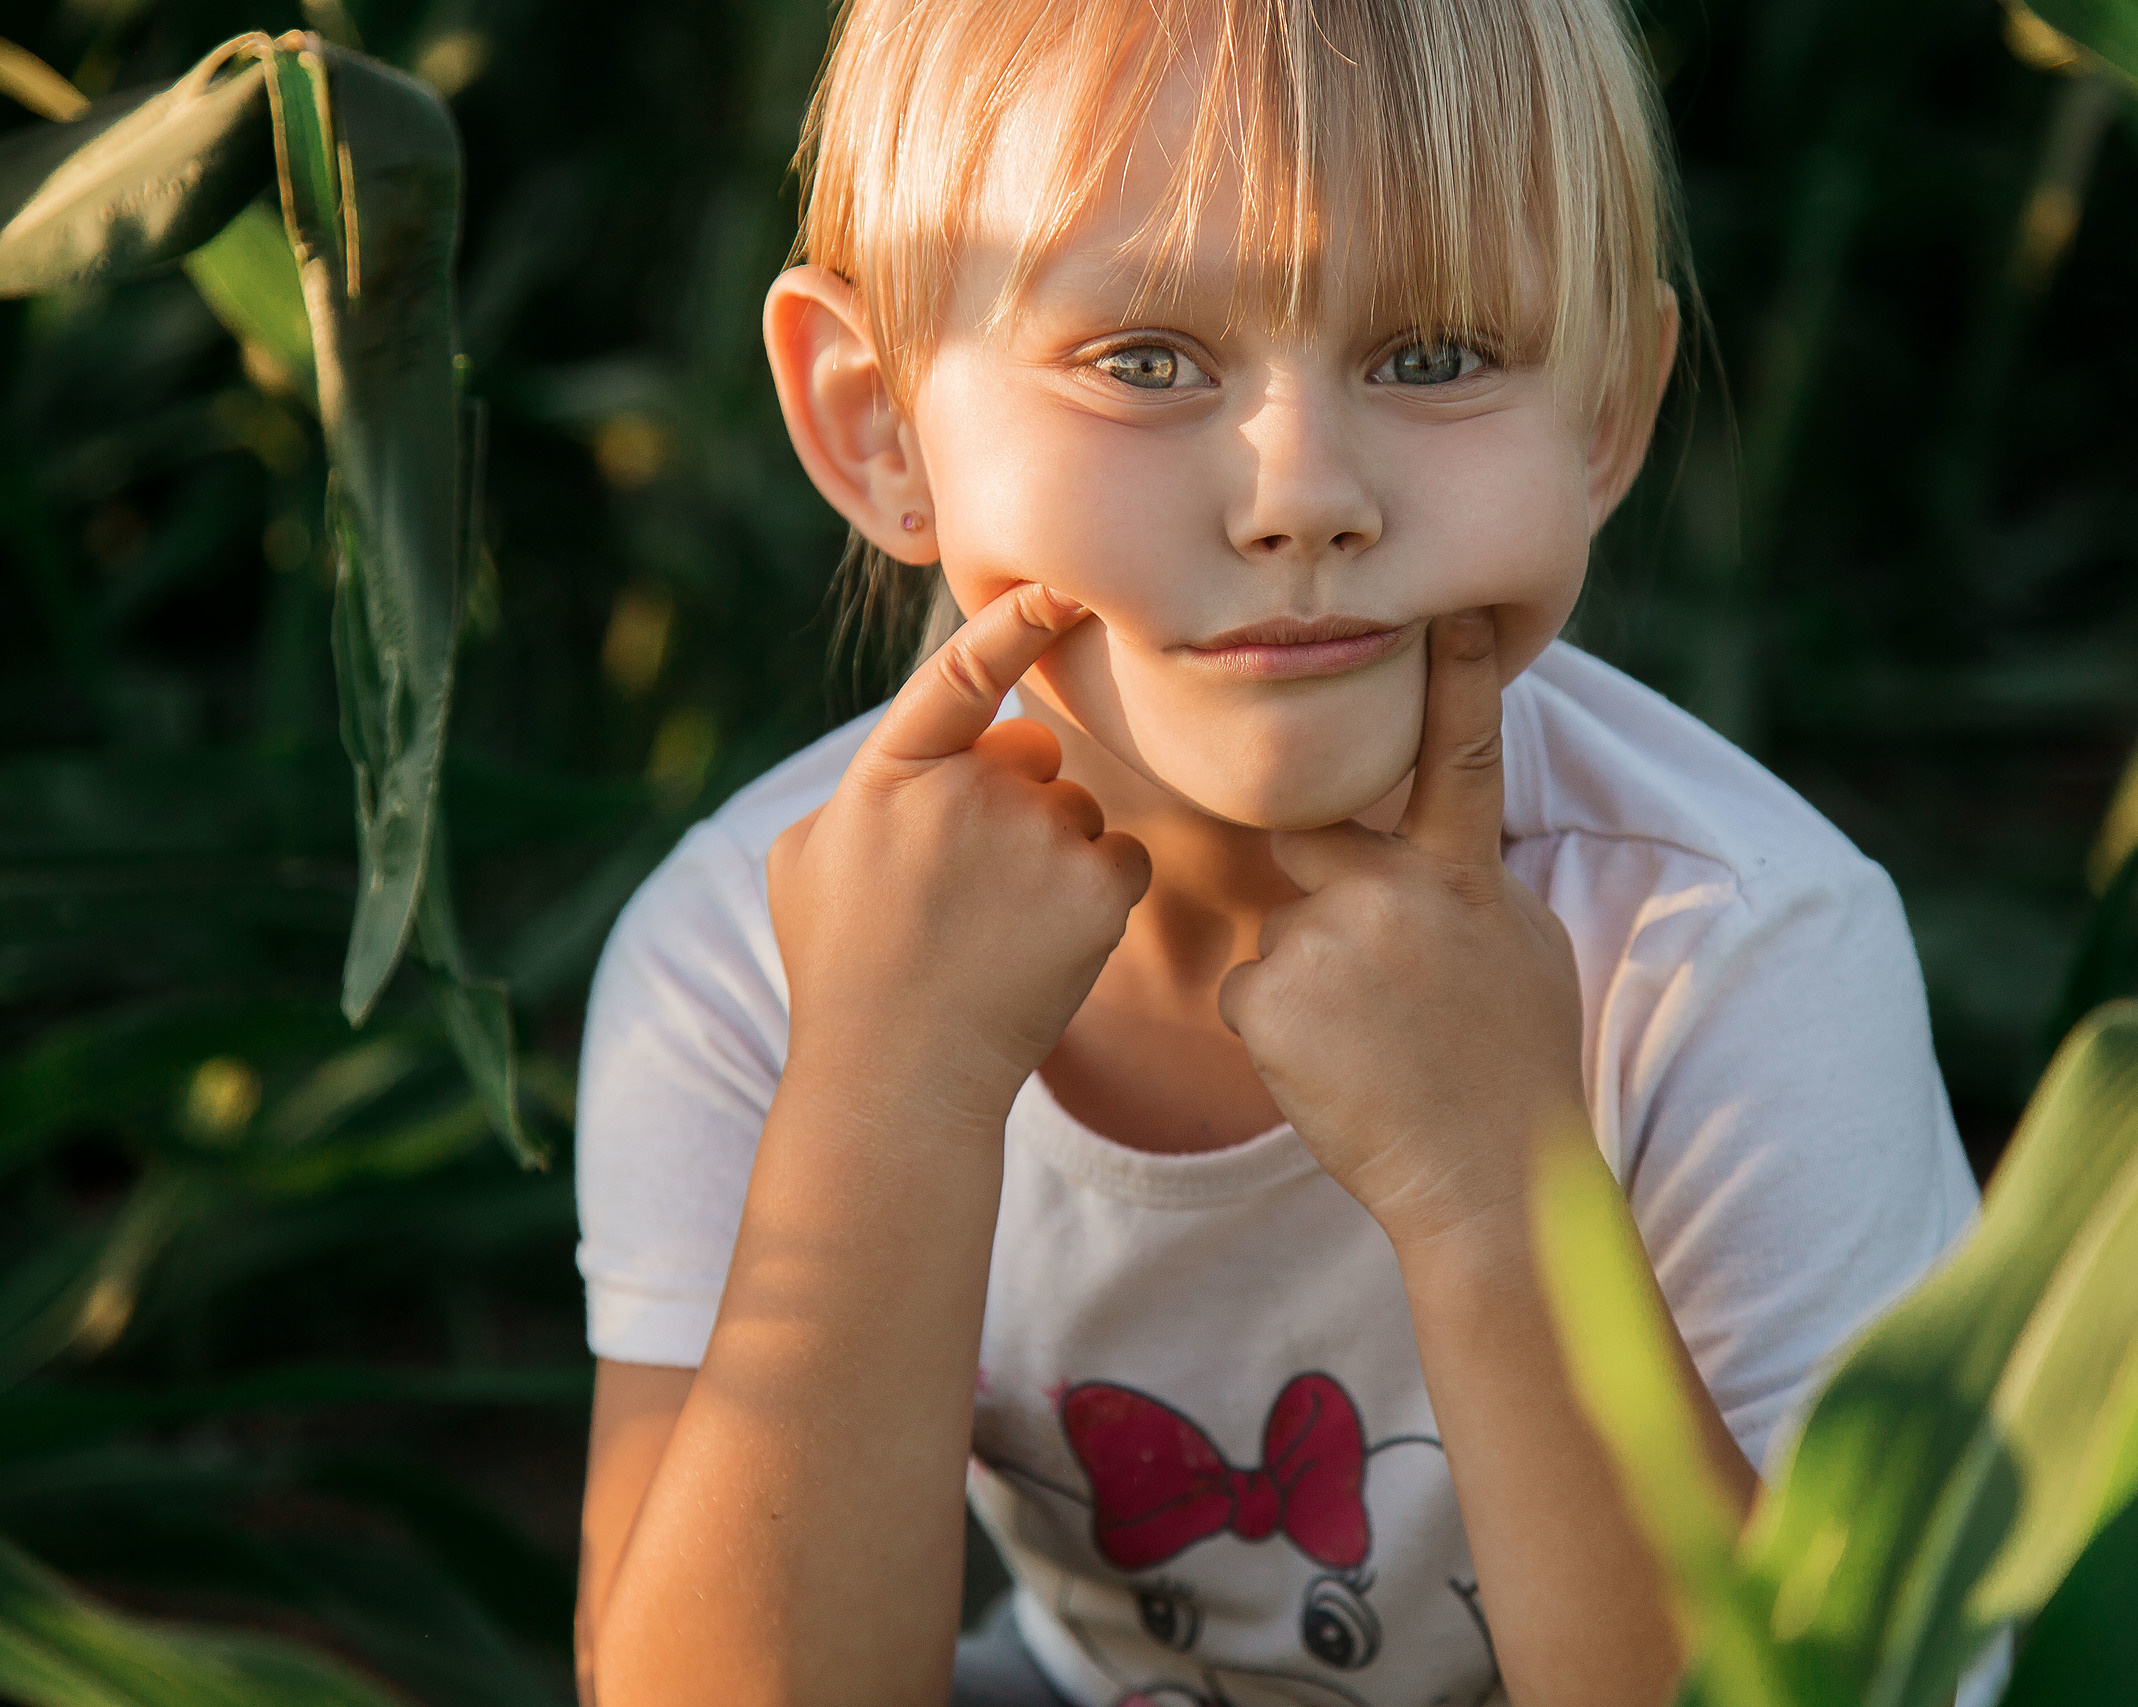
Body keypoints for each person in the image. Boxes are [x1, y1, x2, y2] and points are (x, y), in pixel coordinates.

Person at [570, 0, 1985, 1702]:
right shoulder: (748, 963)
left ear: (1604, 414)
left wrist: (1495, 1180)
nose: (1302, 493)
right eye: (1147, 360)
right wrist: (886, 1088)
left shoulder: (1732, 949)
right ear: (879, 426)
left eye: (1437, 355)